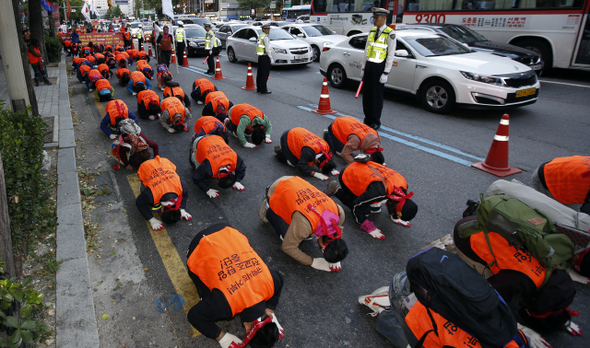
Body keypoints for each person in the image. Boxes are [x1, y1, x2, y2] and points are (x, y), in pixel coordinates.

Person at [370, 248, 538, 348]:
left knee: (402, 292)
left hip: (423, 293)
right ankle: (391, 317)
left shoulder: (517, 339)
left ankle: (390, 315)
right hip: (422, 303)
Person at [453, 215, 582, 337]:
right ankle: (460, 257)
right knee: (485, 285)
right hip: (465, 234)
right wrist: (517, 327)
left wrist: (561, 318)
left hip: (484, 220)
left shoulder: (553, 264)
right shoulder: (518, 281)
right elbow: (483, 299)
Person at [186, 223, 284, 348]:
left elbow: (280, 278)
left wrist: (270, 308)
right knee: (207, 295)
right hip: (199, 244)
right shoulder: (225, 306)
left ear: (269, 317)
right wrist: (221, 336)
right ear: (247, 328)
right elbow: (194, 316)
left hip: (228, 230)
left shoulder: (271, 283)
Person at [259, 176, 348, 272]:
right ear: (322, 245)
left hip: (296, 181)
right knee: (287, 236)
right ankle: (268, 206)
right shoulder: (304, 226)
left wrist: (337, 254)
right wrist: (312, 261)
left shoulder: (339, 213)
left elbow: (338, 229)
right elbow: (288, 247)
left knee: (301, 233)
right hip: (277, 187)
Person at [328, 159, 417, 239]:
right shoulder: (378, 192)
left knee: (374, 209)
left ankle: (369, 201)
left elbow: (396, 201)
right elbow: (357, 206)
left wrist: (395, 216)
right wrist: (366, 225)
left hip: (367, 170)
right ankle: (336, 190)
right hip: (348, 173)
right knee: (363, 210)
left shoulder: (403, 185)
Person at [360, 8, 396, 130]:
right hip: (369, 66)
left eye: (377, 17)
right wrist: (363, 67)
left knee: (376, 96)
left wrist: (386, 72)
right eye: (373, 17)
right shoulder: (372, 31)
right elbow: (366, 51)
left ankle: (375, 121)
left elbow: (390, 54)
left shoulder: (390, 33)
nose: (374, 19)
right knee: (367, 95)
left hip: (379, 67)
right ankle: (367, 118)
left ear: (384, 18)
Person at [136, 156, 192, 231]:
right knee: (144, 188)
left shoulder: (181, 187)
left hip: (164, 161)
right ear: (162, 210)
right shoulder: (150, 195)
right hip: (145, 166)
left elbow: (185, 194)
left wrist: (182, 209)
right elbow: (139, 202)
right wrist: (151, 219)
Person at [256, 24, 273, 94]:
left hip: (260, 57)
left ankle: (259, 88)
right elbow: (267, 49)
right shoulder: (265, 37)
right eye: (267, 29)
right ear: (263, 29)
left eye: (269, 29)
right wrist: (271, 58)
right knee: (264, 74)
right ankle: (264, 89)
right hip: (265, 57)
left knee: (260, 73)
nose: (268, 30)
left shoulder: (260, 36)